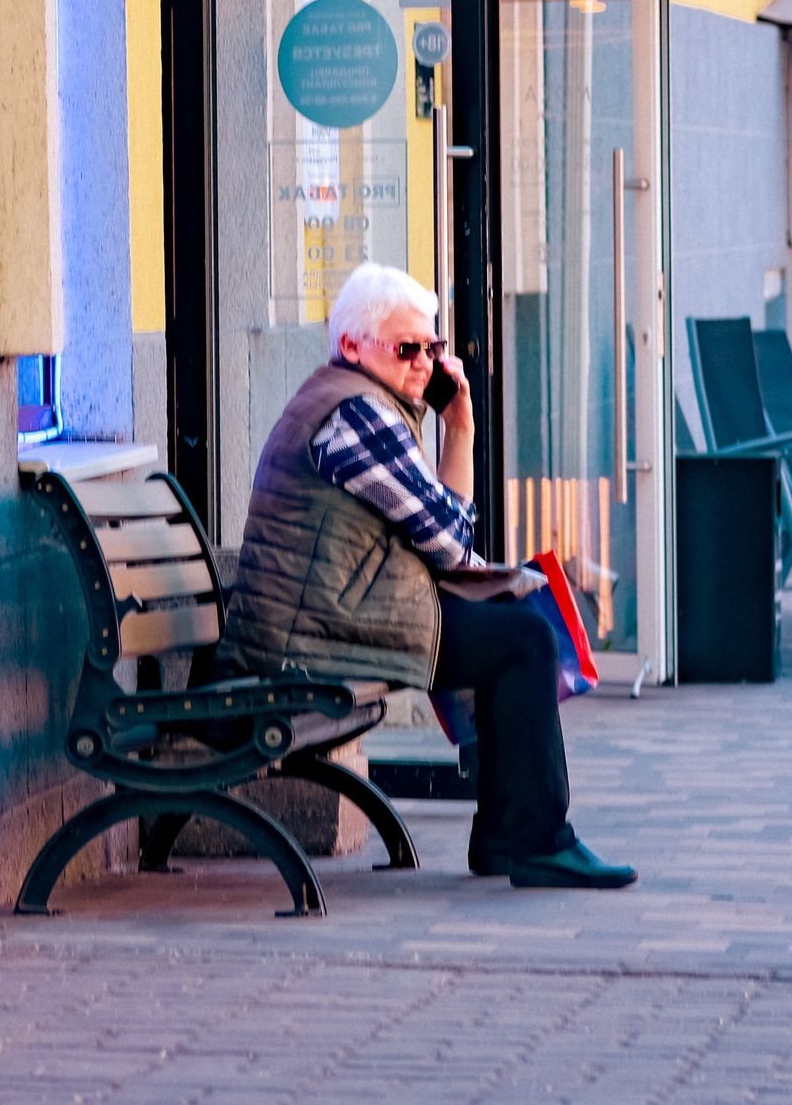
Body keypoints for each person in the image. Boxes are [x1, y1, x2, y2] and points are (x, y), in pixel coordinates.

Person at [227, 261, 637, 890]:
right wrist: (456, 437)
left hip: (330, 612)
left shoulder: (355, 399)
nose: (424, 363)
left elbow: (444, 527)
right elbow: (448, 541)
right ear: (352, 346)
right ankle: (536, 841)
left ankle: (513, 838)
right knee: (524, 640)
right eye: (407, 348)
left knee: (516, 626)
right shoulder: (358, 414)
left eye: (433, 347)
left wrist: (461, 428)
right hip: (317, 634)